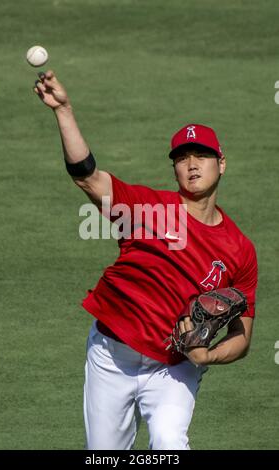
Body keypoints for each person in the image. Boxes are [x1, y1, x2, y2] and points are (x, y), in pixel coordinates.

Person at [33, 71, 258, 450]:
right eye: (182, 158)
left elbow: (244, 335)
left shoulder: (239, 248)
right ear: (174, 168)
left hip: (175, 364)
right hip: (111, 354)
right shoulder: (147, 208)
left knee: (170, 444)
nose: (191, 164)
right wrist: (64, 110)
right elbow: (87, 177)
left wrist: (209, 355)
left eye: (201, 155)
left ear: (221, 163)